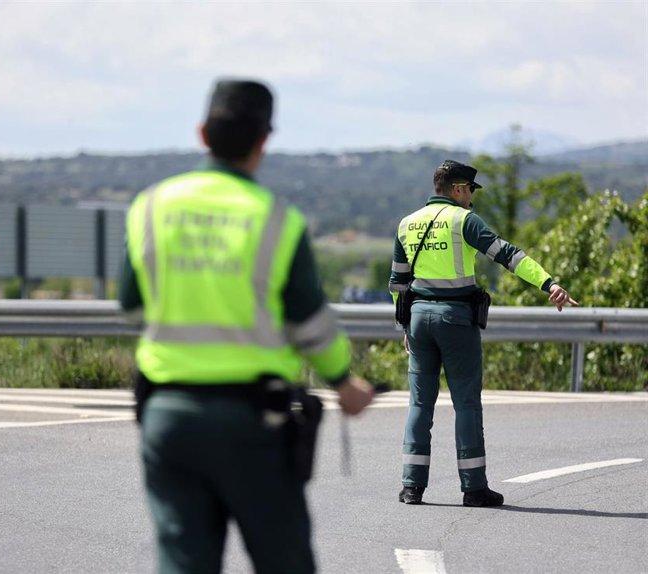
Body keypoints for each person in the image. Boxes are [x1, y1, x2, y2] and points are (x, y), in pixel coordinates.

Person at [120, 79, 374, 573]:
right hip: (254, 422)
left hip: (168, 415)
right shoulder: (277, 219)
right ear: (263, 141)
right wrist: (344, 382)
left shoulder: (151, 206)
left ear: (201, 134)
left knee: (182, 561)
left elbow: (131, 307)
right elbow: (310, 322)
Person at [388, 159, 578, 507]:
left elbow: (398, 284)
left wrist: (404, 327)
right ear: (459, 189)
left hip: (417, 319)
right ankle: (473, 488)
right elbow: (508, 255)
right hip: (456, 320)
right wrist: (548, 283)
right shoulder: (464, 220)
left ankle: (411, 487)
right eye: (470, 191)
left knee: (419, 404)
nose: (471, 199)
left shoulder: (407, 224)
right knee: (466, 404)